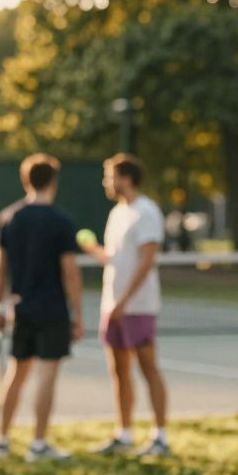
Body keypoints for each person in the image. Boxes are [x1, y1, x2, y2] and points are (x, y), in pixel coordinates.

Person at [0, 153, 84, 461]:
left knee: (16, 373)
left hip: (21, 309)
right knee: (47, 375)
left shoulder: (9, 217)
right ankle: (38, 445)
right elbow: (70, 272)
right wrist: (78, 313)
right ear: (53, 181)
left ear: (25, 180)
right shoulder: (62, 221)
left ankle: (2, 442)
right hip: (53, 310)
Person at [78, 153, 170, 457]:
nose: (106, 182)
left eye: (110, 177)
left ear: (126, 179)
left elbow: (146, 261)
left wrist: (124, 300)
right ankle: (124, 433)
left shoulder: (147, 211)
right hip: (112, 306)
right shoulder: (117, 213)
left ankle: (160, 437)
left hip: (138, 307)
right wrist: (94, 250)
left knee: (148, 368)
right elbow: (115, 259)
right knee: (118, 370)